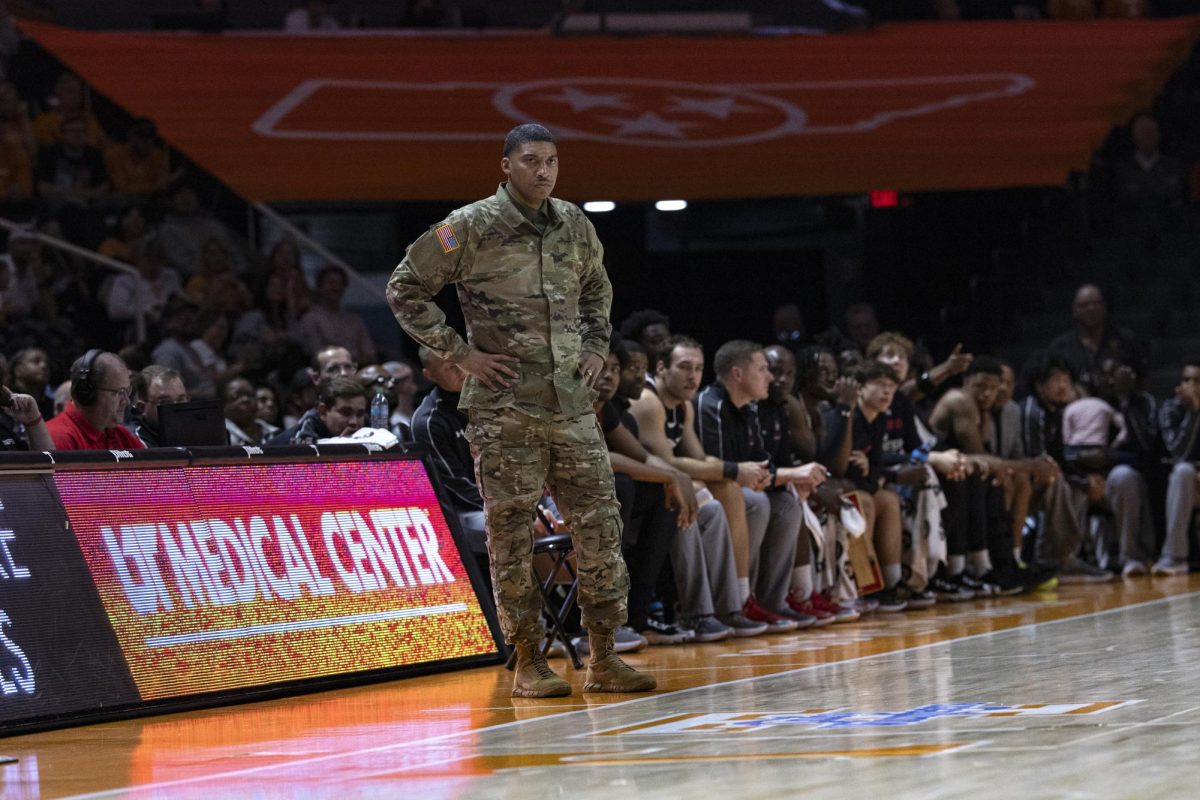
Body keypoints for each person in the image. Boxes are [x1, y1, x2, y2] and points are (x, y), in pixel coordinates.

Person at [386, 124, 653, 698]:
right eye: (531, 160)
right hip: (506, 410)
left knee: (601, 526)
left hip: (572, 406)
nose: (544, 171)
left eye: (552, 161)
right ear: (506, 166)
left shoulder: (574, 223)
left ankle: (604, 654)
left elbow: (597, 290)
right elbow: (405, 288)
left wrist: (596, 347)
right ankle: (529, 659)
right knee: (512, 536)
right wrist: (462, 355)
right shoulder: (469, 226)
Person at [630, 335, 800, 633]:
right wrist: (735, 470)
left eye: (698, 368)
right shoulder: (649, 403)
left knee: (731, 499)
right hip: (638, 495)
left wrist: (739, 473)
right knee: (695, 502)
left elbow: (699, 458)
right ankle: (697, 612)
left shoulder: (684, 407)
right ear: (661, 368)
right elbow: (666, 462)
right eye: (684, 367)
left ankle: (734, 603)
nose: (692, 376)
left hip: (665, 485)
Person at [695, 340, 833, 625]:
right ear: (738, 374)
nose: (770, 377)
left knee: (787, 502)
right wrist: (790, 474)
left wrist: (786, 477)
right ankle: (741, 598)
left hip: (741, 488)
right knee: (756, 502)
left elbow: (760, 464)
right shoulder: (711, 405)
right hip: (712, 491)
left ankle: (774, 599)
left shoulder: (750, 409)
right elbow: (723, 471)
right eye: (763, 369)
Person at [1048, 284, 1145, 393]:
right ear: (1074, 309)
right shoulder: (1060, 346)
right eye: (1084, 305)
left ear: (1104, 307)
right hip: (1075, 406)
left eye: (1096, 303)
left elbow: (1143, 378)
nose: (1091, 308)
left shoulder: (1126, 340)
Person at [46, 350, 145, 451]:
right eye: (118, 392)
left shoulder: (120, 435)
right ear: (86, 393)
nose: (126, 401)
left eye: (127, 391)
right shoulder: (59, 438)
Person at [1155, 360, 1200, 576]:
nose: (1189, 385)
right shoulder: (1170, 409)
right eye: (1185, 380)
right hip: (1182, 483)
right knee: (1183, 472)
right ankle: (1174, 557)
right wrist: (1193, 412)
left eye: (1196, 381)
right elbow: (1179, 453)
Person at [298, 265, 378, 365]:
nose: (336, 287)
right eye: (331, 283)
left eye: (340, 284)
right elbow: (317, 354)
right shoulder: (310, 318)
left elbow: (369, 352)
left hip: (360, 369)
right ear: (320, 286)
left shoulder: (355, 319)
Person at [266, 376, 365, 445]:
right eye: (345, 413)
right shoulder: (301, 438)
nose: (354, 422)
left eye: (360, 414)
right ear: (323, 412)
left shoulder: (368, 426)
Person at [0, 354, 52, 451]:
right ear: (17, 370)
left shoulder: (13, 409)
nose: (44, 366)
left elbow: (49, 459)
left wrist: (33, 421)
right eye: (36, 361)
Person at [223, 376, 278, 446]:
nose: (245, 399)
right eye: (236, 396)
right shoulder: (220, 437)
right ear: (224, 405)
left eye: (250, 395)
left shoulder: (275, 433)